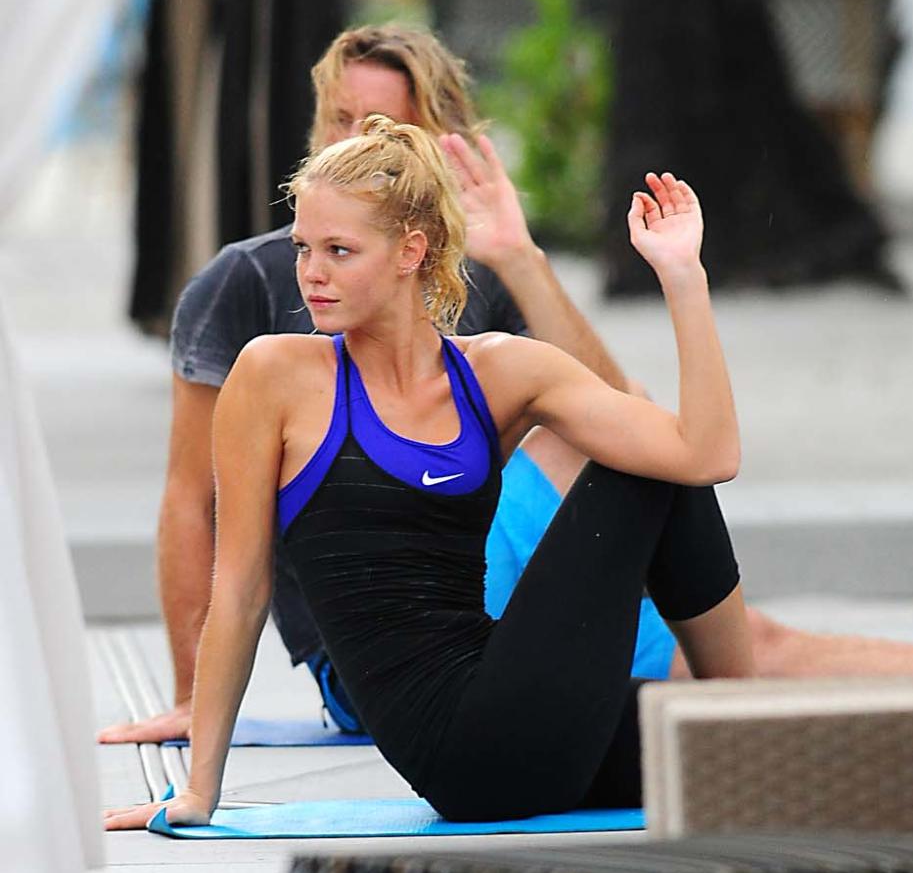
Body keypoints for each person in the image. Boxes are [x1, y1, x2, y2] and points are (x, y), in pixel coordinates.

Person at [99, 24, 913, 747]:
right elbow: (191, 502)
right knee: (724, 657)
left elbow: (639, 426)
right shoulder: (248, 287)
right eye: (342, 120)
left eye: (386, 127)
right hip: (391, 643)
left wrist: (521, 256)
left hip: (492, 580)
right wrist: (189, 697)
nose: (359, 143)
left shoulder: (463, 274)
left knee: (746, 639)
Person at [104, 118, 752, 829]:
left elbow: (707, 457)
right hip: (464, 750)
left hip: (525, 715)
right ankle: (746, 715)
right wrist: (200, 790)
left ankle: (747, 727)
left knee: (747, 758)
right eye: (303, 249)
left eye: (339, 251)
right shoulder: (274, 375)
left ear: (411, 251)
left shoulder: (499, 371)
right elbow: (242, 590)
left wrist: (683, 277)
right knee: (638, 475)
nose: (310, 274)